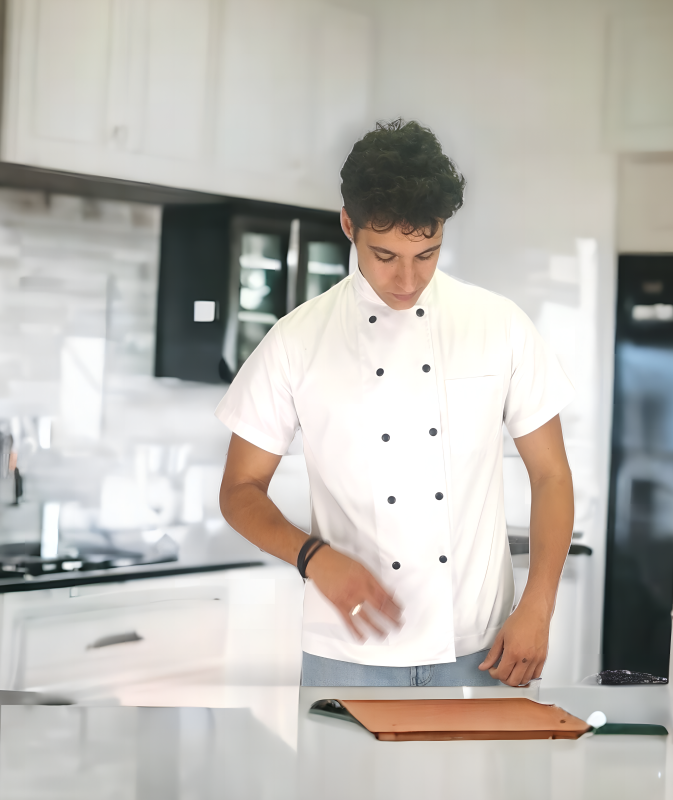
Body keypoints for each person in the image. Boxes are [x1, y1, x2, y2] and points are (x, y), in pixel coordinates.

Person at [217, 119, 575, 688]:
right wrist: (313, 558)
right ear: (348, 225)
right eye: (385, 255)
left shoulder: (499, 326)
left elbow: (551, 474)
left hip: (480, 649)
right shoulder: (297, 340)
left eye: (427, 254)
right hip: (346, 654)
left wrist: (539, 603)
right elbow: (239, 490)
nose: (408, 280)